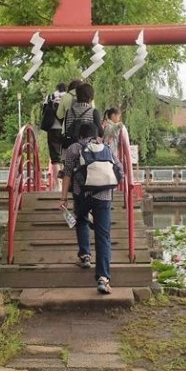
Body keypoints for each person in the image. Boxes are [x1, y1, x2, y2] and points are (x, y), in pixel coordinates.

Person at [59, 121, 123, 294]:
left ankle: (85, 255)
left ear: (80, 135)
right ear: (97, 136)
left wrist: (63, 197)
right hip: (103, 197)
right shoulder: (107, 148)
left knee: (81, 221)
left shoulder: (74, 148)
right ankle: (103, 278)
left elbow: (67, 175)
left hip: (82, 195)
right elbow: (120, 170)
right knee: (103, 236)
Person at [62, 82, 103, 151]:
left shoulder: (68, 112)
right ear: (90, 98)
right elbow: (101, 133)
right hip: (88, 151)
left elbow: (66, 130)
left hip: (71, 149)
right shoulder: (93, 112)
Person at [43, 82, 67, 188]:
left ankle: (58, 184)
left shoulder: (50, 96)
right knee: (67, 155)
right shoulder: (68, 97)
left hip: (53, 128)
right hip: (66, 128)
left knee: (55, 157)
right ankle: (68, 182)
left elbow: (44, 111)